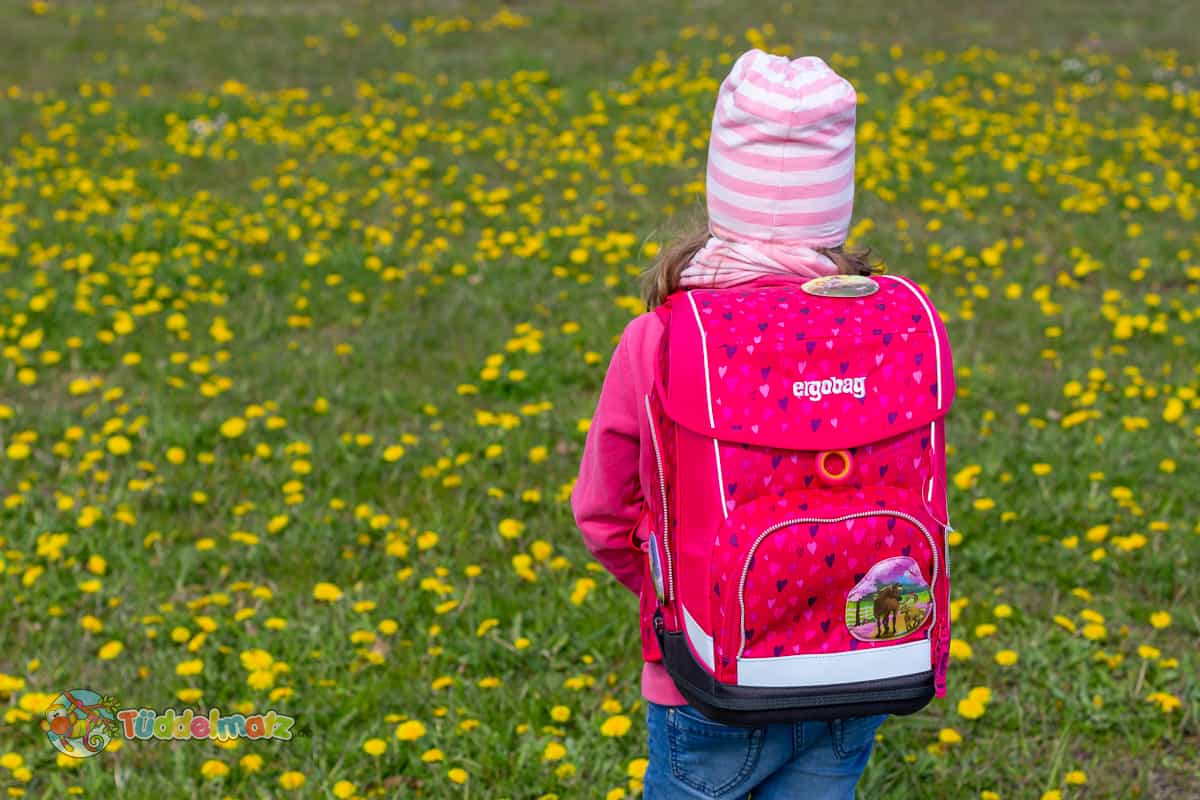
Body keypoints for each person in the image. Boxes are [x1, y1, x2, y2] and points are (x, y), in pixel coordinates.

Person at [572, 49, 889, 799]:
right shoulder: (887, 329)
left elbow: (603, 514)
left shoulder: (661, 337)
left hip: (705, 672)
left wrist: (673, 600)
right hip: (858, 662)